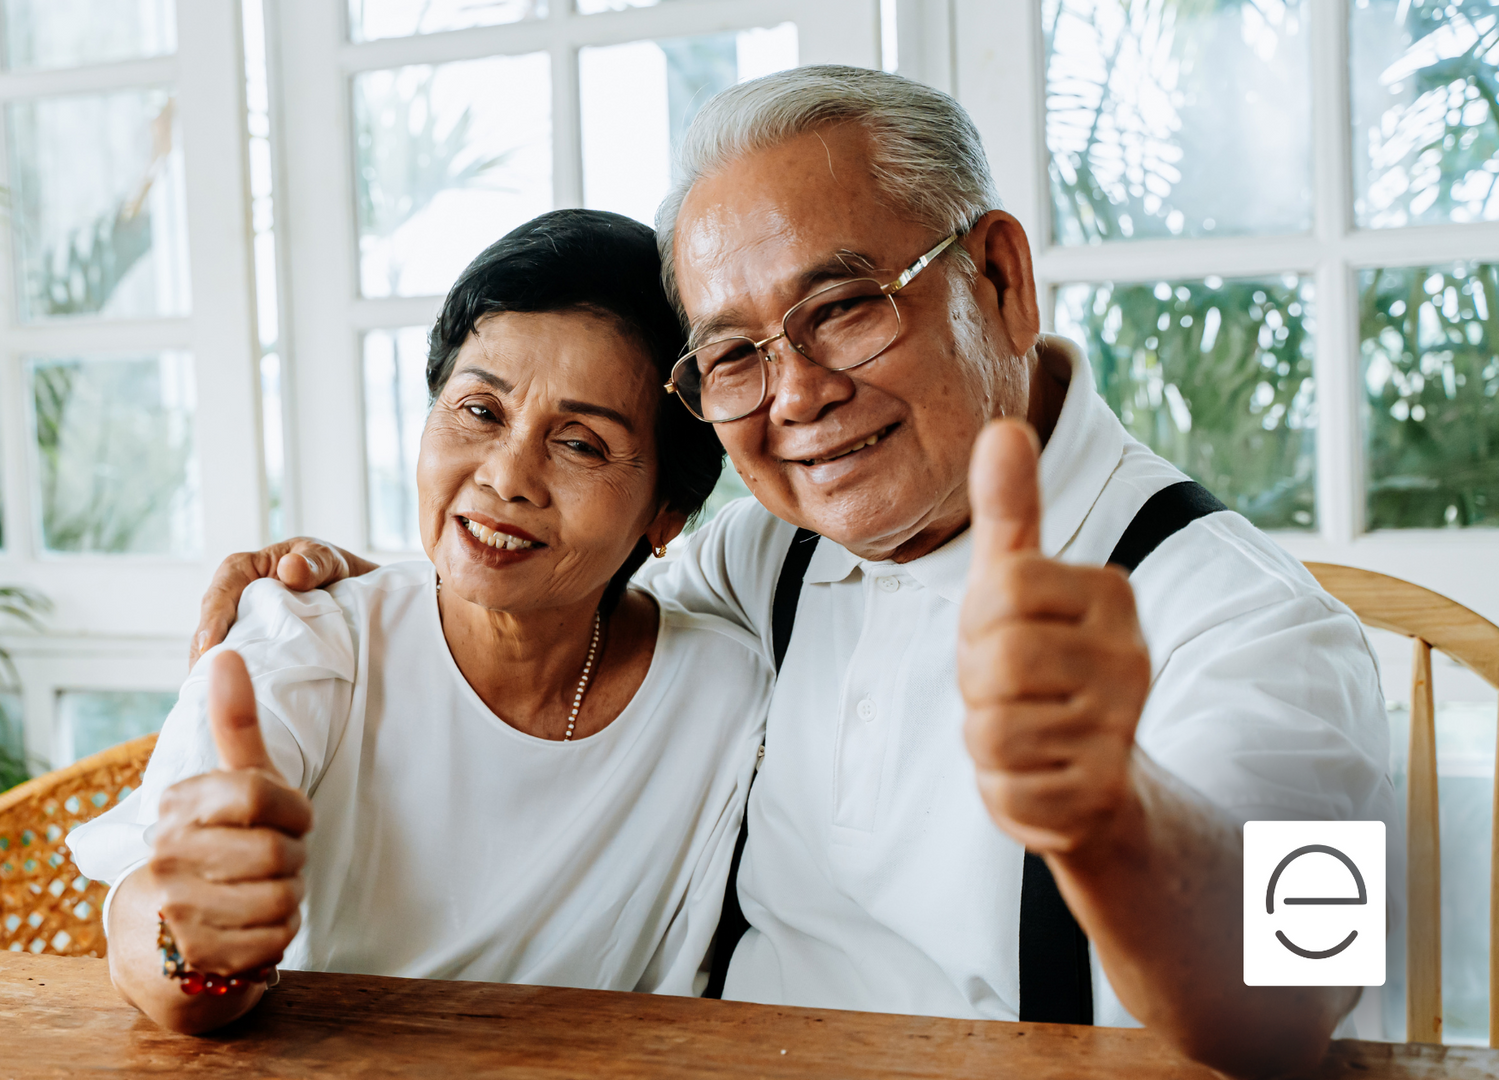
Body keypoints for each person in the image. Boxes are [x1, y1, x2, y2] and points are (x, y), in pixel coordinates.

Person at [187, 67, 1395, 1078]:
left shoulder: (1266, 626)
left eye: (845, 306)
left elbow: (1307, 1000)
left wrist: (1107, 814)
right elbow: (569, 558)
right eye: (735, 356)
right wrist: (358, 600)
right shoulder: (769, 553)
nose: (800, 396)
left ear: (1001, 279)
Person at [68, 209, 770, 1035]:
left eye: (579, 444)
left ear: (668, 515)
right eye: (479, 411)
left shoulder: (727, 692)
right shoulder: (306, 642)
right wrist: (196, 942)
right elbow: (153, 929)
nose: (506, 476)